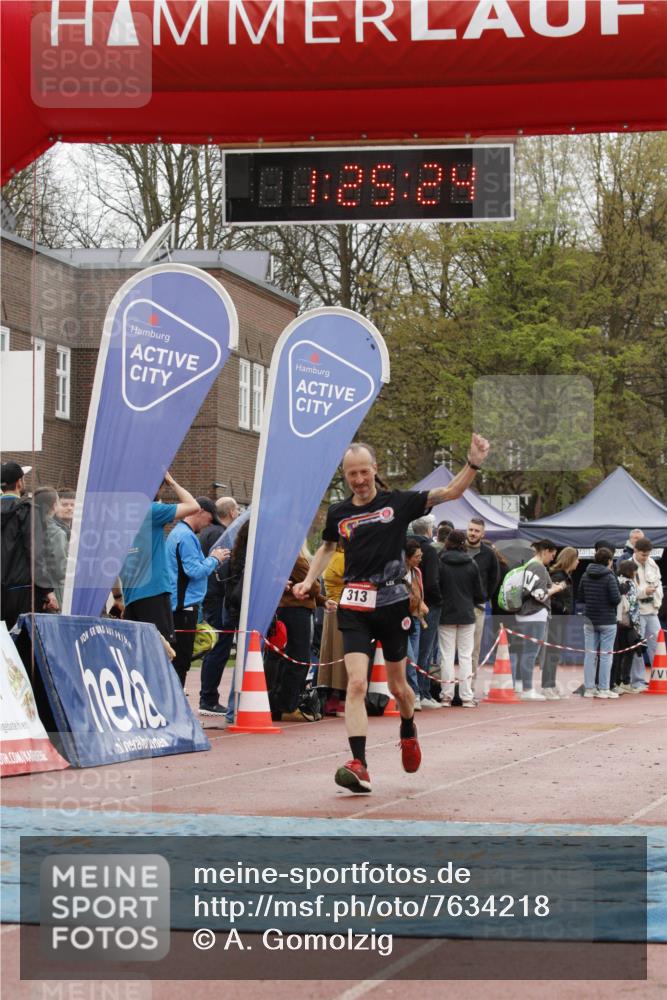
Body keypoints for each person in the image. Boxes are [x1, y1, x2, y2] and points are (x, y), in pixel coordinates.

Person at [293, 433, 490, 794]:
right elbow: (327, 548)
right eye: (351, 474)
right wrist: (308, 580)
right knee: (356, 683)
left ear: (375, 469)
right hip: (355, 605)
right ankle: (359, 764)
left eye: (363, 472)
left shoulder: (397, 503)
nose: (359, 480)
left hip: (392, 604)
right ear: (345, 476)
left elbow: (450, 492)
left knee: (399, 688)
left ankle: (408, 728)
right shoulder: (339, 512)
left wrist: (473, 463)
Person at [120, 472, 200, 643]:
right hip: (153, 591)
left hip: (130, 595)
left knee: (136, 650)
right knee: (161, 649)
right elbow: (193, 506)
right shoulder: (150, 511)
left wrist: (118, 597)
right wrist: (172, 482)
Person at [166, 498, 229, 687]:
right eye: (210, 519)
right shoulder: (186, 536)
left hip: (178, 604)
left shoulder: (178, 533)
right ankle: (176, 703)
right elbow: (194, 571)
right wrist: (215, 559)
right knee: (181, 661)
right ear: (200, 511)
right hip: (184, 607)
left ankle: (174, 699)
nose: (209, 525)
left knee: (177, 659)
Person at [269, 544, 325, 722]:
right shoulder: (297, 560)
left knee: (285, 659)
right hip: (296, 611)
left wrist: (323, 601)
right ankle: (288, 706)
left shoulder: (281, 557)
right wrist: (316, 584)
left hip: (286, 610)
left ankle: (278, 705)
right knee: (298, 659)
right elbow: (312, 587)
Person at [1, 461, 58, 628]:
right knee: (23, 641)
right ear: (19, 482)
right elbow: (35, 553)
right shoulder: (28, 511)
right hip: (23, 592)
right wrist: (48, 590)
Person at [198, 496, 241, 716]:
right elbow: (223, 569)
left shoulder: (206, 533)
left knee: (214, 645)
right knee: (219, 646)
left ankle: (208, 696)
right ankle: (208, 698)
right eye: (238, 510)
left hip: (208, 595)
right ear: (232, 512)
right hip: (218, 597)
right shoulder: (222, 535)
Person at [437, 529, 485, 708]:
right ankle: (466, 696)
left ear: (448, 542)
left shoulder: (440, 561)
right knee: (466, 656)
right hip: (466, 613)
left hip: (446, 613)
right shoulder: (471, 563)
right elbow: (479, 593)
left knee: (446, 656)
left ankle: (446, 696)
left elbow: (435, 585)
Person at [516, 539, 564, 701]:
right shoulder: (539, 567)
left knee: (526, 652)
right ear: (545, 551)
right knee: (530, 653)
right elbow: (540, 595)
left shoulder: (529, 564)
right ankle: (527, 689)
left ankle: (523, 685)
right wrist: (556, 588)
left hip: (525, 613)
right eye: (552, 554)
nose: (552, 558)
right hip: (535, 613)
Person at [578, 547, 622, 698]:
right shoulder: (610, 576)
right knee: (606, 655)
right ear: (609, 561)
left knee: (590, 655)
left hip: (590, 619)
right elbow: (615, 599)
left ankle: (589, 688)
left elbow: (580, 596)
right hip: (607, 620)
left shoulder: (585, 575)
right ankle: (604, 688)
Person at [408, 516, 442, 709]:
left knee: (413, 651)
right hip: (426, 605)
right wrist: (438, 600)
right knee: (424, 651)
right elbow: (432, 581)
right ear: (429, 530)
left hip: (409, 605)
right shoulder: (430, 550)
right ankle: (421, 692)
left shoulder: (404, 546)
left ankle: (417, 691)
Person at [466, 518, 500, 687]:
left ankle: (470, 686)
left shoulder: (489, 554)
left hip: (477, 607)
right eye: (471, 529)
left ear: (483, 534)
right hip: (454, 606)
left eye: (476, 531)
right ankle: (447, 688)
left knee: (473, 649)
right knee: (448, 651)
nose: (473, 533)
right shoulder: (457, 549)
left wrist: (484, 596)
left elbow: (494, 579)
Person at [541, 546, 579, 699]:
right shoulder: (558, 576)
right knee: (552, 653)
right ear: (570, 560)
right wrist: (563, 608)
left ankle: (551, 684)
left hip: (562, 620)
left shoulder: (566, 576)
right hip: (555, 619)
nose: (578, 561)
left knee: (555, 653)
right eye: (576, 559)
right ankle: (547, 686)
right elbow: (549, 597)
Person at [317, 542, 348, 716]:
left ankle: (332, 698)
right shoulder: (341, 559)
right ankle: (341, 699)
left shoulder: (330, 557)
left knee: (331, 657)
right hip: (342, 610)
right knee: (341, 657)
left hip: (332, 609)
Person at [631, 537, 664, 687]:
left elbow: (659, 584)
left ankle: (659, 677)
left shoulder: (652, 563)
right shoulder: (629, 565)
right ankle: (637, 681)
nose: (645, 557)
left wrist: (658, 602)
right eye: (643, 554)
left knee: (658, 645)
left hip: (652, 610)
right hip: (637, 611)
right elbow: (629, 591)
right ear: (635, 550)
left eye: (648, 554)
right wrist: (645, 592)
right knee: (637, 647)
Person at [404, 538, 430, 708]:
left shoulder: (417, 572)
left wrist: (421, 605)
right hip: (401, 619)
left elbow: (420, 593)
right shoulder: (398, 572)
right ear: (407, 557)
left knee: (415, 658)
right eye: (417, 556)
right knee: (410, 660)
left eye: (421, 556)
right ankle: (415, 694)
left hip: (416, 618)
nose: (420, 559)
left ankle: (412, 693)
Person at [33, 487, 68, 611]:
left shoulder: (29, 526)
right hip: (53, 591)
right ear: (54, 506)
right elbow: (60, 570)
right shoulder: (57, 533)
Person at [612, 560, 642, 694]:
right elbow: (633, 604)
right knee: (629, 653)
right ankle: (625, 682)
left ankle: (617, 682)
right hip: (628, 623)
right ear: (630, 571)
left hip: (617, 622)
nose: (636, 573)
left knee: (618, 653)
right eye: (635, 570)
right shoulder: (630, 584)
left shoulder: (616, 580)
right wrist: (636, 625)